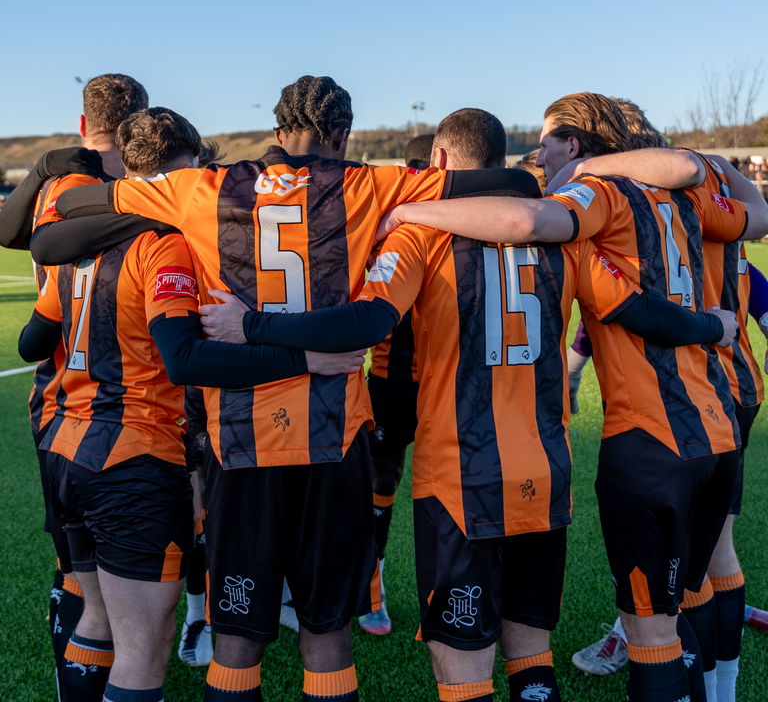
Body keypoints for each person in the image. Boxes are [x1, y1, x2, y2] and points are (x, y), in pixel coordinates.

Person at [200, 107, 738, 702]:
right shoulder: (566, 239)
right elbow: (638, 309)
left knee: (465, 673)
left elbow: (364, 323)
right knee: (531, 657)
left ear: (438, 161)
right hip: (546, 471)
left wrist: (252, 326)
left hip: (461, 477)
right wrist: (711, 326)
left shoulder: (419, 233)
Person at [41, 75, 539, 702]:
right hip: (334, 441)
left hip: (241, 444)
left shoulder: (201, 187)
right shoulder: (370, 184)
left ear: (277, 130)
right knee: (327, 635)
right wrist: (411, 208)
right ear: (343, 135)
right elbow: (514, 184)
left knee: (235, 641)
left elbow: (67, 216)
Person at [368, 92, 768, 702]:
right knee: (691, 591)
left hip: (625, 440)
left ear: (577, 145)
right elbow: (747, 216)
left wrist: (412, 212)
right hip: (710, 423)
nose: (541, 154)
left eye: (548, 142)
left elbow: (528, 225)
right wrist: (712, 326)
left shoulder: (590, 199)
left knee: (649, 631)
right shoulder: (684, 198)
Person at [21, 106, 364, 702]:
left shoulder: (81, 245)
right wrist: (305, 359)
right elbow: (184, 359)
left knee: (99, 618)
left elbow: (32, 342)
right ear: (186, 169)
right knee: (141, 651)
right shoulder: (167, 242)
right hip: (131, 453)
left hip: (65, 446)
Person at [0, 73, 148, 692]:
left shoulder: (55, 184)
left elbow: (11, 233)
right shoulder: (135, 189)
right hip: (127, 402)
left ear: (84, 123)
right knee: (129, 577)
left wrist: (40, 168)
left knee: (76, 565)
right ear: (139, 124)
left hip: (55, 396)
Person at [359, 132, 434, 637]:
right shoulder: (381, 229)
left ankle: (449, 590)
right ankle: (372, 591)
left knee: (445, 489)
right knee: (379, 485)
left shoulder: (461, 224)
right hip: (389, 383)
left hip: (443, 382)